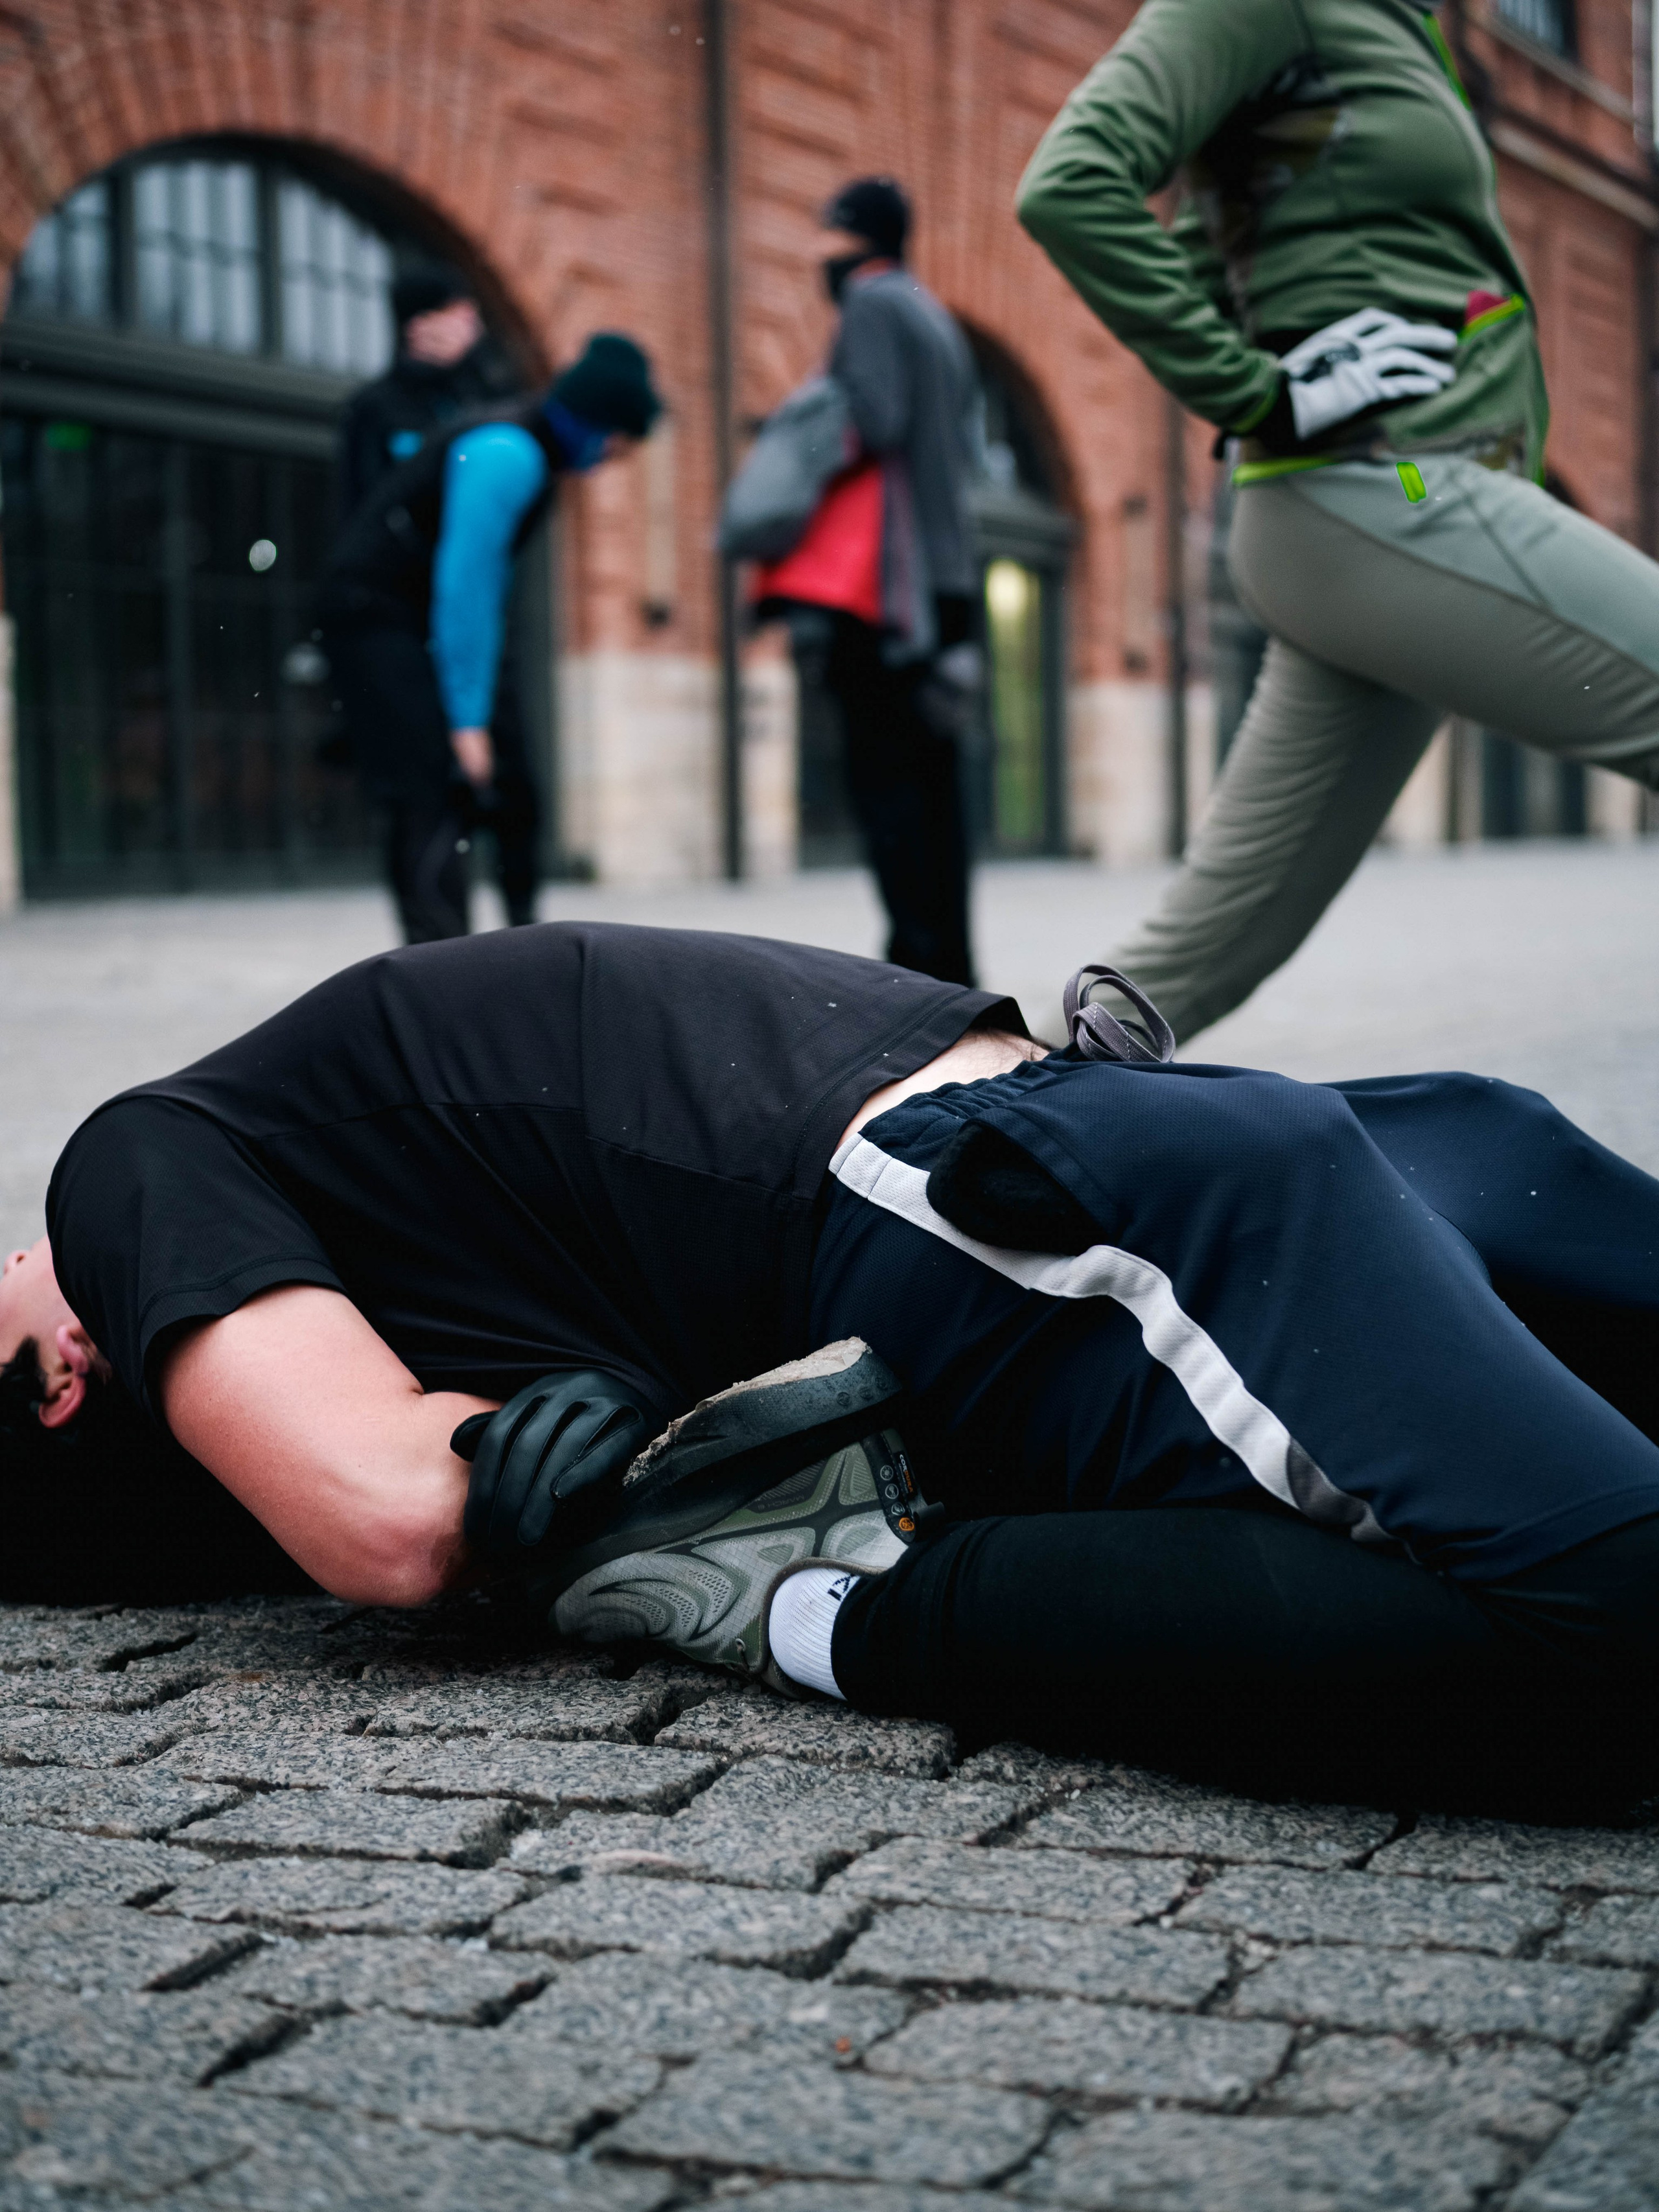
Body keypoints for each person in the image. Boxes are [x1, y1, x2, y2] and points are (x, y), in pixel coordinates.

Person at [5, 924, 1659, 1814]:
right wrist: (511, 1457)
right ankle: (825, 1596)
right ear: (59, 1372)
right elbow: (386, 1514)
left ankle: (816, 1576)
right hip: (1054, 1208)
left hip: (1135, 1162)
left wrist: (525, 1444)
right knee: (1615, 1614)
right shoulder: (130, 1168)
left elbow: (427, 1461)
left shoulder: (354, 1234)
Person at [1015, 0, 1659, 1045]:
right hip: (1399, 492)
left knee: (1186, 970)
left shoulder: (1393, 23)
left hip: (1381, 519)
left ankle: (945, 1132)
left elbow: (1222, 242)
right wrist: (1262, 392)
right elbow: (1071, 183)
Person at [319, 333, 662, 943]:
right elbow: (466, 590)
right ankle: (438, 967)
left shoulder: (535, 450)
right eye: (617, 443)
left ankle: (527, 946)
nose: (613, 458)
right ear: (597, 423)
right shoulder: (508, 452)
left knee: (513, 781)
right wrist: (468, 720)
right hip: (373, 614)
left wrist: (486, 719)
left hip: (421, 614)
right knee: (429, 787)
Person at [776, 177, 982, 986]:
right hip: (945, 581)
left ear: (855, 237)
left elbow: (874, 420)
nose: (814, 253)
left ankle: (912, 973)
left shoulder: (868, 304)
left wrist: (796, 435)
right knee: (934, 788)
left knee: (884, 785)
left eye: (824, 235)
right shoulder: (934, 315)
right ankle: (948, 967)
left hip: (886, 593)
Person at [336, 266, 522, 519]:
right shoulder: (377, 407)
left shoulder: (485, 395)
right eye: (452, 311)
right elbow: (363, 504)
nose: (469, 323)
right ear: (418, 326)